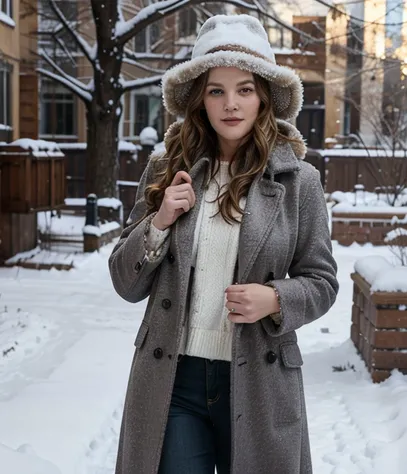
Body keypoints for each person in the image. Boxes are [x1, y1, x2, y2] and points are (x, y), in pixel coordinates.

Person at [109, 13, 338, 474]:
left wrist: (275, 298)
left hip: (258, 377)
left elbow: (323, 282)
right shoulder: (164, 170)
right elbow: (124, 281)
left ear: (264, 98)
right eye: (216, 90)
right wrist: (160, 221)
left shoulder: (299, 182)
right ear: (199, 100)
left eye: (244, 89)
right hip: (174, 380)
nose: (230, 103)